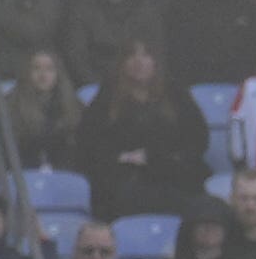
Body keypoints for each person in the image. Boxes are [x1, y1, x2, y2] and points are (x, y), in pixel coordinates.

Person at [76, 40, 210, 219]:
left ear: (156, 61)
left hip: (171, 176)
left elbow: (198, 139)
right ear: (122, 62)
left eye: (146, 55)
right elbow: (88, 141)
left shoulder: (176, 93)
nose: (139, 61)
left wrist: (153, 158)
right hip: (121, 178)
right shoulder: (107, 96)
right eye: (132, 55)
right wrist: (120, 157)